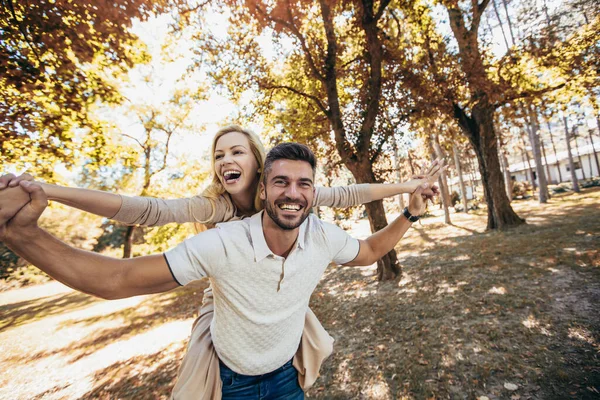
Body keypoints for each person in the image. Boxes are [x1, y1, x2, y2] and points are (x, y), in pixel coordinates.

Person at [0, 126, 443, 399]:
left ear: (258, 159)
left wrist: (409, 190)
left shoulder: (295, 195)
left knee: (289, 338)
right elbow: (140, 211)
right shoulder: (214, 212)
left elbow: (353, 198)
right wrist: (49, 190)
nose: (226, 160)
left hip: (281, 305)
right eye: (218, 155)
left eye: (236, 151)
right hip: (225, 302)